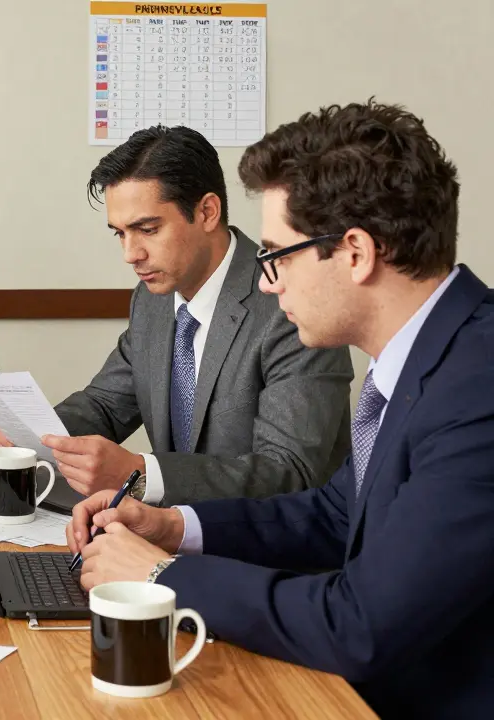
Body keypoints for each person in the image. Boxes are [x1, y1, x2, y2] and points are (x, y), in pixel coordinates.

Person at [70, 101, 494, 717]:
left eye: (278, 254)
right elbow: (332, 516)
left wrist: (163, 576)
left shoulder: (477, 386)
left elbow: (360, 625)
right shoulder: (432, 354)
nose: (267, 282)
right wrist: (176, 528)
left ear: (355, 252)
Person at [0, 125, 352, 505]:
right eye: (119, 233)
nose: (130, 254)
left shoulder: (289, 303)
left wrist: (142, 472)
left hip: (271, 551)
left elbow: (288, 471)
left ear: (207, 212)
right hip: (167, 536)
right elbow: (105, 405)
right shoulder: (152, 300)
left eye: (147, 229)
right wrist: (33, 436)